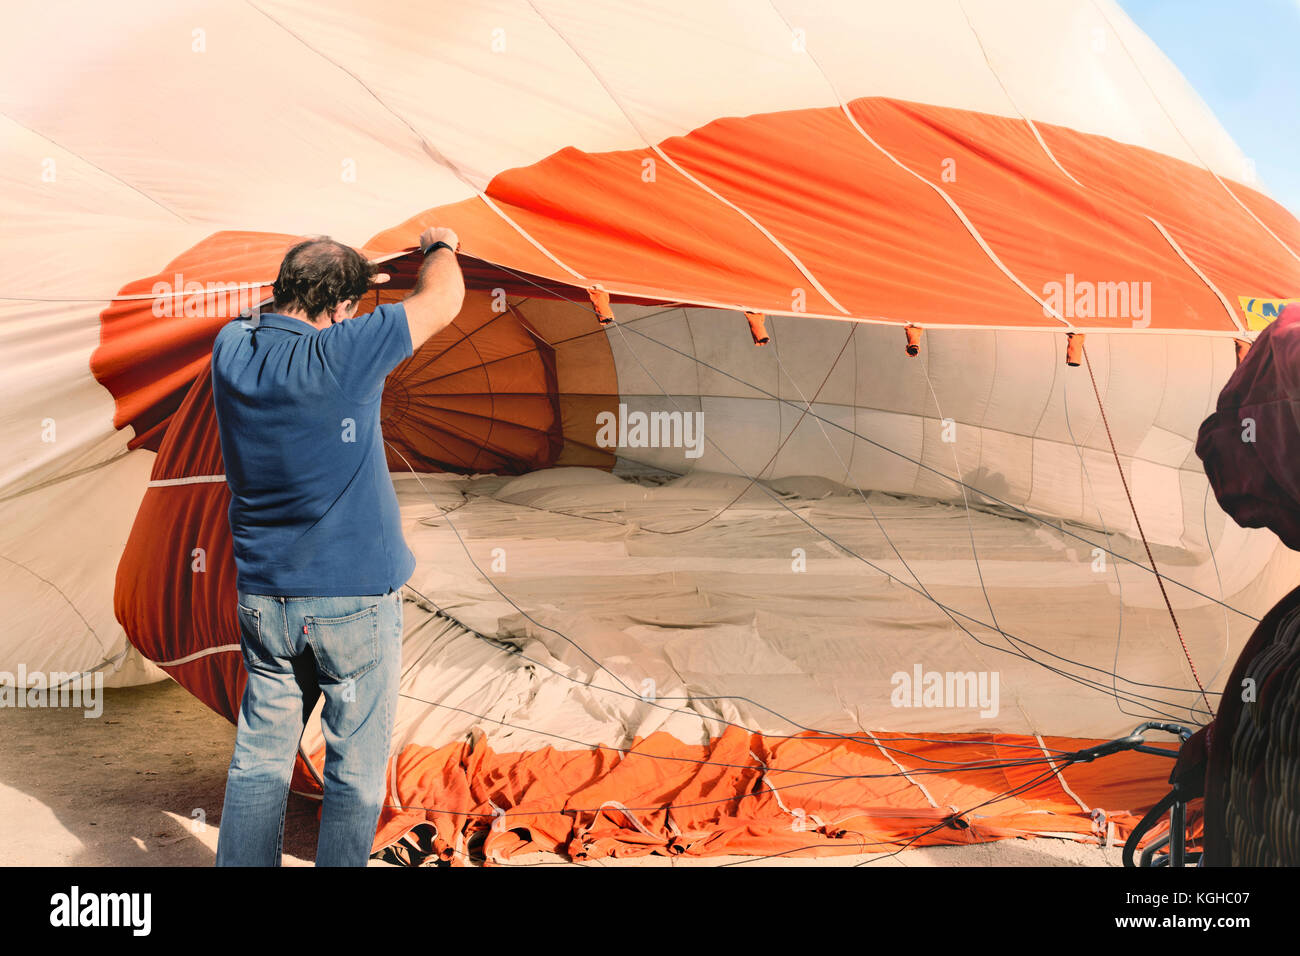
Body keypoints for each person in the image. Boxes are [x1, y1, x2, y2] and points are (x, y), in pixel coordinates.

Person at [209, 227, 464, 866]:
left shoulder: (231, 348)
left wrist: (328, 282)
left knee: (259, 761)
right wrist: (440, 246)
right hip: (352, 598)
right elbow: (445, 298)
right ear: (344, 309)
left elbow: (266, 314)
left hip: (265, 597)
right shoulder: (345, 352)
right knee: (354, 770)